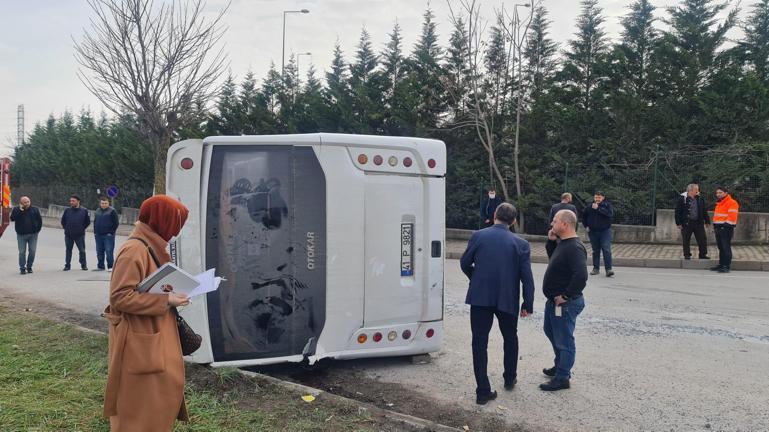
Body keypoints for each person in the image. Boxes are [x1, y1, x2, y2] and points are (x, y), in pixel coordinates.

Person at [103, 195, 191, 431]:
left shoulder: (149, 245)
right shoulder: (134, 251)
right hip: (139, 341)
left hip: (150, 336)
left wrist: (171, 297)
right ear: (162, 221)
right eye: (175, 223)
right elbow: (120, 297)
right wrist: (167, 299)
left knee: (154, 401)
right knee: (140, 406)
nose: (175, 231)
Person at [460, 202, 535, 405]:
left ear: (494, 215)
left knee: (479, 342)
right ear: (513, 221)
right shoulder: (521, 244)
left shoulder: (478, 236)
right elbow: (526, 277)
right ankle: (510, 378)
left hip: (480, 297)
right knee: (510, 338)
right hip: (507, 298)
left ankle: (482, 391)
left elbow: (464, 262)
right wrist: (527, 303)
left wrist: (475, 278)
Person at [541, 209, 588, 391]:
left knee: (564, 340)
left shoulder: (574, 247)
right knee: (551, 332)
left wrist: (566, 296)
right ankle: (560, 365)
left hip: (565, 303)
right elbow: (553, 258)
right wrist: (551, 241)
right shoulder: (564, 243)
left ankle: (563, 378)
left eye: (555, 221)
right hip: (554, 301)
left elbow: (581, 276)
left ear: (565, 224)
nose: (552, 224)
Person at [582, 191, 614, 277]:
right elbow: (584, 216)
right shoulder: (589, 207)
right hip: (593, 232)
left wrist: (599, 209)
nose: (597, 199)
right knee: (595, 250)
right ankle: (596, 269)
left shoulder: (607, 205)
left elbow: (610, 215)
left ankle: (608, 269)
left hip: (605, 231)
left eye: (599, 197)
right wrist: (586, 226)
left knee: (606, 249)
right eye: (596, 197)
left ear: (603, 198)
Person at [674, 184, 710, 260]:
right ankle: (687, 255)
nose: (698, 191)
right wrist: (678, 223)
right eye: (696, 189)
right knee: (686, 239)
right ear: (690, 190)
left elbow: (704, 210)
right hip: (687, 223)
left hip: (698, 222)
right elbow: (677, 211)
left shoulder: (700, 198)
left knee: (702, 239)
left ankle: (702, 254)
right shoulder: (682, 198)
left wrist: (707, 220)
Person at [10, 196, 43, 274]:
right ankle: (22, 268)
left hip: (33, 235)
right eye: (25, 202)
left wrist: (37, 230)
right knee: (22, 252)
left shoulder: (35, 209)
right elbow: (12, 219)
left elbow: (40, 221)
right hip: (21, 235)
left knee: (32, 251)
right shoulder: (16, 209)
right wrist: (20, 210)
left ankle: (29, 267)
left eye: (28, 201)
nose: (27, 203)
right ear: (21, 203)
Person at [711, 186, 739, 273]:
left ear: (726, 193)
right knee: (721, 248)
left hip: (726, 228)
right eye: (717, 193)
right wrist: (715, 227)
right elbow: (718, 217)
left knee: (725, 247)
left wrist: (724, 227)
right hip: (719, 228)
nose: (718, 194)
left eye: (720, 193)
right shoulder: (719, 203)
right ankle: (721, 264)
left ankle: (726, 266)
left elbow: (732, 217)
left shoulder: (732, 203)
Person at [61, 195, 90, 271]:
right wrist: (66, 228)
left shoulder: (84, 211)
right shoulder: (67, 210)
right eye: (70, 201)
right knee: (68, 250)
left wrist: (81, 228)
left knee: (82, 251)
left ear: (78, 201)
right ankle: (67, 265)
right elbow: (63, 221)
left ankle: (83, 265)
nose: (71, 202)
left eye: (73, 201)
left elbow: (87, 222)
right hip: (68, 235)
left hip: (79, 235)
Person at [93, 197, 120, 272]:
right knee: (99, 251)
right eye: (102, 203)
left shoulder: (112, 211)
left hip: (108, 235)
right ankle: (100, 266)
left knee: (109, 251)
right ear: (100, 203)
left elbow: (116, 223)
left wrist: (111, 232)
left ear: (108, 203)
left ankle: (111, 266)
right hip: (98, 235)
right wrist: (95, 232)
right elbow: (95, 222)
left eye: (105, 203)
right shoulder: (97, 210)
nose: (104, 205)